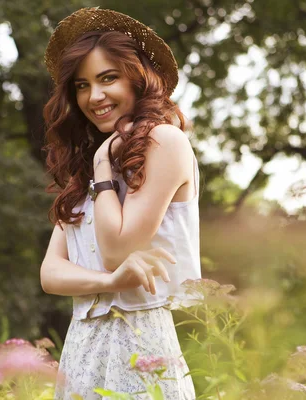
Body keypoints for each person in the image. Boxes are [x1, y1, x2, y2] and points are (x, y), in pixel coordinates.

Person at [39, 7, 201, 400]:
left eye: (107, 78)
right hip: (81, 345)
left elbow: (117, 248)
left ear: (137, 79)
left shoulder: (166, 142)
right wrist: (109, 283)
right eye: (81, 85)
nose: (94, 96)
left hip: (140, 341)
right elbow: (51, 274)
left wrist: (102, 165)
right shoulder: (86, 170)